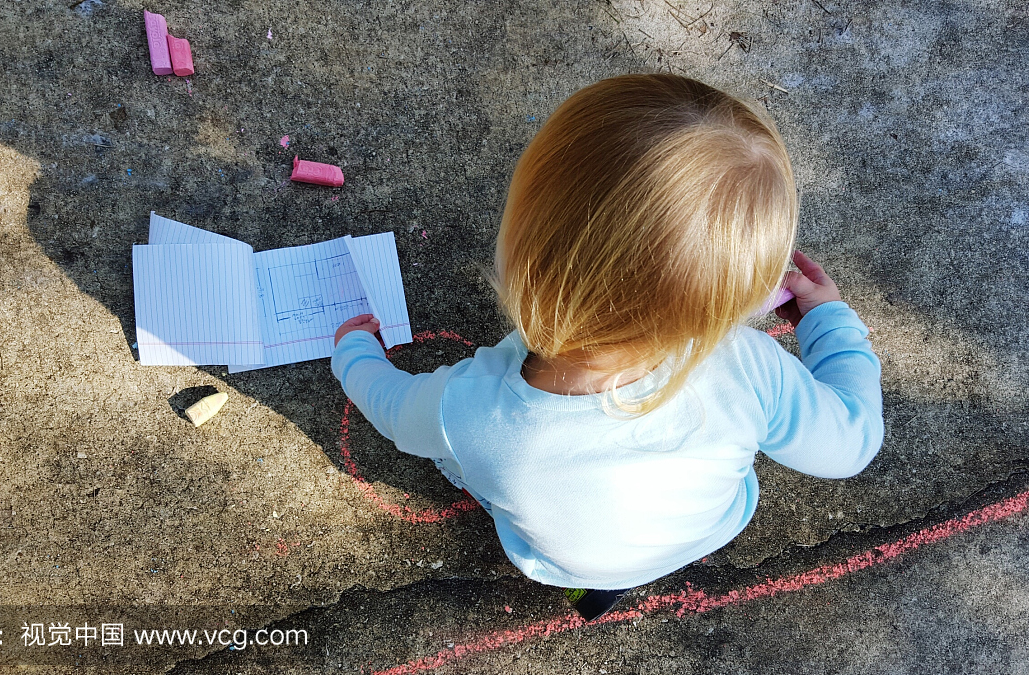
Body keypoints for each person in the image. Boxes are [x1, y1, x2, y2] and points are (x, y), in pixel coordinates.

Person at [330, 74, 884, 620]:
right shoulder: (749, 368)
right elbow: (851, 442)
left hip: (567, 561)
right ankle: (606, 583)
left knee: (459, 459)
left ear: (525, 258)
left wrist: (354, 352)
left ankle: (587, 587)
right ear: (738, 293)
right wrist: (828, 322)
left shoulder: (474, 410)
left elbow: (398, 414)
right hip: (702, 530)